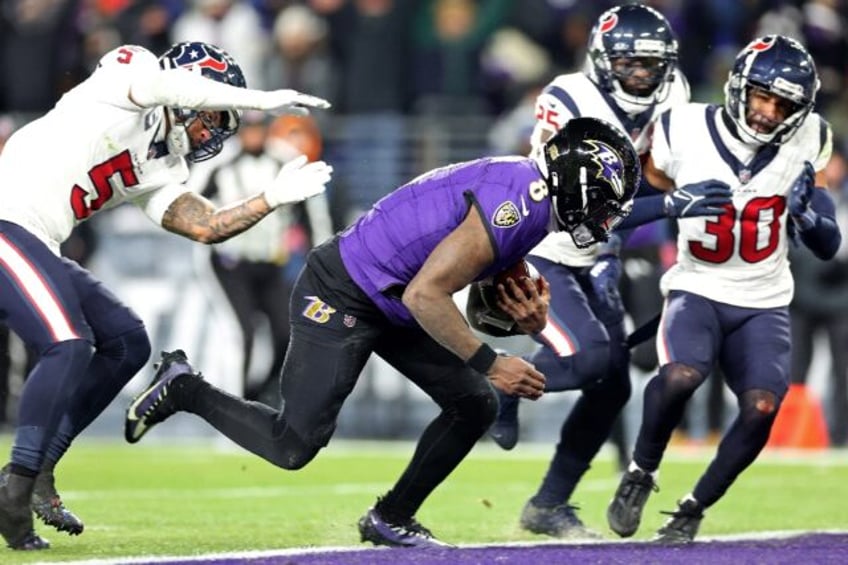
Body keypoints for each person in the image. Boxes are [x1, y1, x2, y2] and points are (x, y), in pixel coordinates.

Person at [124, 116, 640, 548]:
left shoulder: (528, 199)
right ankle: (184, 386)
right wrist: (493, 361)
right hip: (346, 290)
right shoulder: (519, 204)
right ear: (577, 183)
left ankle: (390, 517)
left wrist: (521, 322)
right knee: (293, 445)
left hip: (391, 296)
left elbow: (469, 304)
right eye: (604, 201)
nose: (607, 216)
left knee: (475, 403)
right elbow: (427, 296)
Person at [0, 41, 333, 551]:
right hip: (7, 222)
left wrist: (271, 198)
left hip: (35, 238)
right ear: (191, 93)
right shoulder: (127, 76)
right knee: (66, 343)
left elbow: (206, 225)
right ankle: (14, 488)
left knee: (126, 340)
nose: (214, 130)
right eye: (215, 116)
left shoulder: (163, 162)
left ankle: (42, 464)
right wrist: (261, 98)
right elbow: (159, 84)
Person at [484, 4, 711, 538]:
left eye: (650, 63)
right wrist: (675, 205)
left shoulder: (673, 92)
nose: (641, 73)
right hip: (546, 244)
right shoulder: (569, 99)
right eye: (630, 62)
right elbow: (583, 203)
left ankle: (548, 504)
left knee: (612, 387)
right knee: (590, 360)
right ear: (605, 60)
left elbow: (656, 177)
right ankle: (501, 383)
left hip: (600, 248)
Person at [606, 35, 841, 543]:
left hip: (763, 298)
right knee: (681, 376)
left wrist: (806, 214)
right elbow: (620, 210)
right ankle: (640, 472)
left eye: (783, 104)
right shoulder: (682, 127)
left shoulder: (809, 138)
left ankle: (693, 508)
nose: (767, 112)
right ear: (738, 87)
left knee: (762, 406)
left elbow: (827, 244)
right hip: (696, 286)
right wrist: (670, 206)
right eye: (762, 96)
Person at [200, 111, 333, 403]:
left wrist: (319, 258)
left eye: (259, 129)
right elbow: (196, 211)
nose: (254, 135)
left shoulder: (285, 161)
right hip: (232, 263)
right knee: (241, 334)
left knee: (286, 333)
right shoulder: (221, 164)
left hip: (273, 263)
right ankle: (231, 405)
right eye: (249, 129)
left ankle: (256, 396)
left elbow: (311, 212)